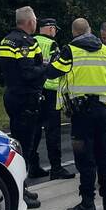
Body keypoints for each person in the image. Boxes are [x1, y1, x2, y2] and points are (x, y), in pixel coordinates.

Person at [46, 18, 106, 210]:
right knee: (104, 156)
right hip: (103, 110)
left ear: (74, 33)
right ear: (90, 30)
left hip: (81, 113)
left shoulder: (70, 51)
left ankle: (88, 204)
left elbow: (52, 72)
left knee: (84, 158)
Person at [0, 6, 45, 209]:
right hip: (25, 98)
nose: (36, 23)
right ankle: (20, 193)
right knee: (24, 148)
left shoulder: (6, 40)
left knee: (19, 144)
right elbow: (28, 72)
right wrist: (45, 67)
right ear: (29, 22)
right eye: (35, 20)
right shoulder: (26, 42)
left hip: (12, 95)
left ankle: (22, 188)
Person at [32, 18, 74, 180]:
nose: (55, 32)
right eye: (55, 29)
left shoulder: (32, 41)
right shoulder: (52, 45)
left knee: (35, 130)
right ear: (50, 29)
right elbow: (57, 68)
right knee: (53, 131)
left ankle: (32, 166)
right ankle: (56, 168)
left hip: (35, 91)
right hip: (50, 92)